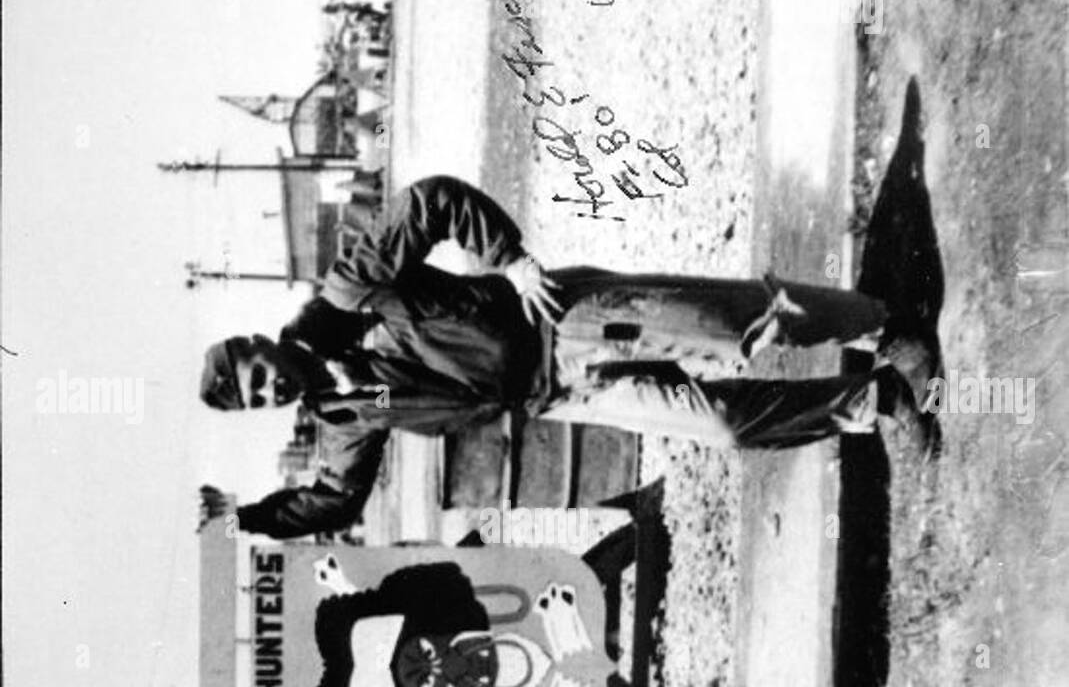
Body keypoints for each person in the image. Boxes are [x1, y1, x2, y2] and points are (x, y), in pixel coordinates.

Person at [199, 174, 917, 539]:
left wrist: (507, 258)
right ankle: (873, 398)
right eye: (259, 399)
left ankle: (880, 327)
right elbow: (332, 499)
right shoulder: (342, 417)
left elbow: (429, 203)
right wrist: (252, 519)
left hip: (564, 321)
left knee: (737, 327)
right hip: (557, 397)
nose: (271, 391)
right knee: (724, 425)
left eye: (258, 376)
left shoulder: (347, 292)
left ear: (261, 344)